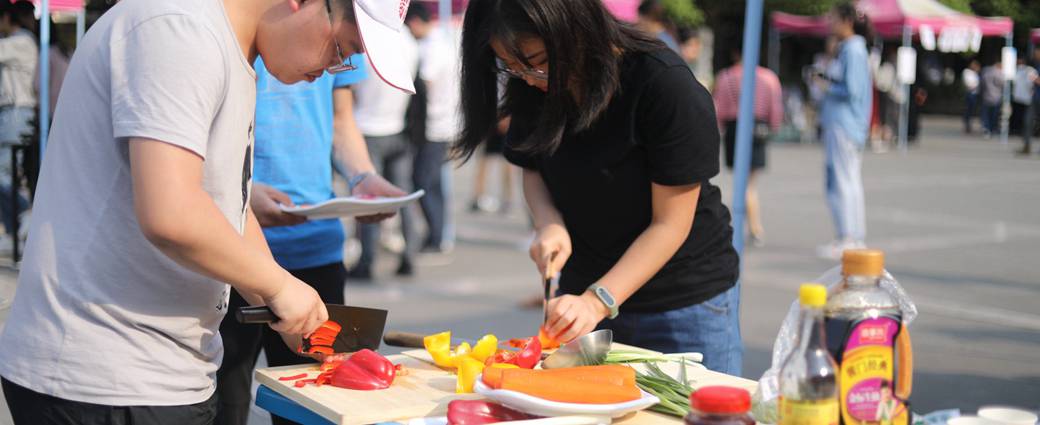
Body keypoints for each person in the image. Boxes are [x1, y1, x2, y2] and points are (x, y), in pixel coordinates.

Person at [0, 0, 416, 423]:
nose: (332, 67)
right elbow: (172, 212)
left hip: (159, 371)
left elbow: (227, 205)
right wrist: (277, 287)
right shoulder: (180, 29)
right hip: (102, 376)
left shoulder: (229, 48)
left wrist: (289, 303)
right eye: (342, 50)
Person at [457, 0, 742, 375]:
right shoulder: (531, 85)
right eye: (510, 65)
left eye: (538, 60)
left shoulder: (663, 85)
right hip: (582, 295)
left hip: (682, 302)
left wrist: (597, 301)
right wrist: (549, 223)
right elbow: (533, 167)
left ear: (577, 27)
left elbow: (670, 223)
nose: (528, 77)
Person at [216, 54, 404, 425]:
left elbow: (341, 119)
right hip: (229, 250)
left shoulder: (344, 24)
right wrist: (240, 193)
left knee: (312, 407)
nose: (338, 53)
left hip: (314, 248)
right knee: (225, 404)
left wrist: (361, 177)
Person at [350, 26, 420, 280]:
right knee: (402, 197)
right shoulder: (408, 41)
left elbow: (352, 88)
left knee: (369, 198)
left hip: (368, 128)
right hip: (397, 126)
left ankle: (366, 261)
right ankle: (409, 255)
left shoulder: (365, 41)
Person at [815, 3, 872, 260]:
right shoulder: (851, 49)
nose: (830, 22)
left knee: (842, 181)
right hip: (845, 124)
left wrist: (825, 85)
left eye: (834, 18)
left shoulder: (853, 49)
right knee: (848, 180)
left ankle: (848, 237)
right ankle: (853, 236)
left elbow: (852, 90)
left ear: (847, 20)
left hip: (844, 123)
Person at [712, 46, 783, 247]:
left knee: (741, 182)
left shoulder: (725, 76)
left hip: (735, 128)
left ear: (735, 53)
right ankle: (754, 227)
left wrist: (720, 127)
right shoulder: (768, 77)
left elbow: (720, 107)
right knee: (750, 183)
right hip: (758, 128)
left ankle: (750, 226)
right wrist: (773, 126)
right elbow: (775, 107)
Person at [405, 3, 460, 254]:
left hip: (434, 127)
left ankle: (436, 235)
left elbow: (422, 84)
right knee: (434, 182)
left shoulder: (432, 48)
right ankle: (437, 234)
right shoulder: (442, 42)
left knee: (424, 181)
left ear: (415, 22)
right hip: (443, 125)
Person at [0, 0, 37, 252]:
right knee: (6, 172)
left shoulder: (21, 41)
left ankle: (25, 220)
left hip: (18, 112)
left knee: (5, 173)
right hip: (12, 112)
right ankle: (17, 229)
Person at [1012, 57, 1037, 137]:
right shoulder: (1019, 70)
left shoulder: (1029, 70)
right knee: (1019, 116)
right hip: (1020, 97)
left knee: (1025, 117)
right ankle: (1019, 130)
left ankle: (1022, 132)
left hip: (1026, 98)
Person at [980, 60, 1004, 138]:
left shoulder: (986, 71)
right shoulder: (999, 72)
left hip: (986, 96)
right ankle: (992, 129)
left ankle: (987, 129)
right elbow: (1002, 83)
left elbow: (982, 83)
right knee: (994, 115)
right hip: (996, 97)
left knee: (986, 115)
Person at [962, 59, 981, 134]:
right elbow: (969, 84)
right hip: (970, 93)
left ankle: (969, 125)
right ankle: (967, 126)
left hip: (974, 93)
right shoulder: (967, 72)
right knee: (968, 111)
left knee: (972, 111)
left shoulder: (975, 73)